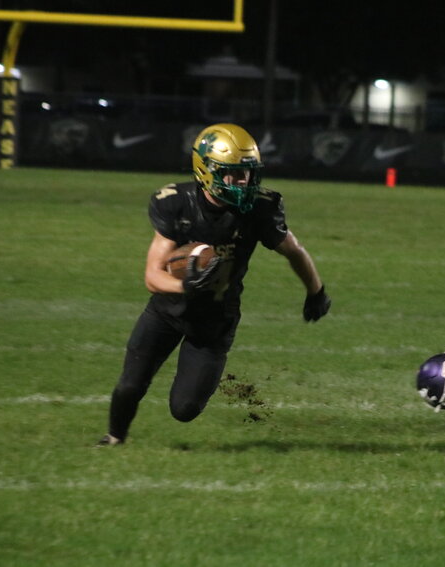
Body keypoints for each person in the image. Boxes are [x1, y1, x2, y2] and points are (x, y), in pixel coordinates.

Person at [97, 123, 331, 446]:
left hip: (215, 320)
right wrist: (185, 287)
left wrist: (316, 291)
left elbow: (294, 250)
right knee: (130, 385)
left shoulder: (259, 208)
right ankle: (114, 438)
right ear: (205, 170)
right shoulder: (177, 203)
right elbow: (152, 275)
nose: (243, 182)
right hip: (166, 311)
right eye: (232, 174)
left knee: (185, 408)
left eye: (247, 173)